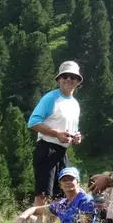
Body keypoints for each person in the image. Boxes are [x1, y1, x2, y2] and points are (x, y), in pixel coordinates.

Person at [28, 61, 83, 206]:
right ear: (59, 79)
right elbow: (33, 122)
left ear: (78, 81)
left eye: (73, 77)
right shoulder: (50, 98)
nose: (69, 80)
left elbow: (73, 129)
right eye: (65, 76)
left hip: (62, 152)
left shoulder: (75, 104)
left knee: (64, 193)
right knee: (43, 193)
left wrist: (76, 137)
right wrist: (56, 134)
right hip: (46, 149)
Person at [11, 167, 96, 223]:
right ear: (60, 185)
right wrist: (20, 219)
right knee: (29, 219)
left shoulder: (85, 200)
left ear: (78, 182)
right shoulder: (62, 203)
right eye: (64, 180)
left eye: (71, 179)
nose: (68, 182)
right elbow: (34, 209)